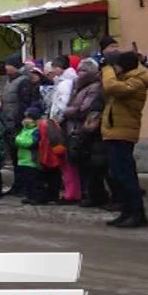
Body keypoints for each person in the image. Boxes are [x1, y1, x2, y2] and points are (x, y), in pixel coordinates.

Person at [101, 50, 148, 228]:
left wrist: (108, 69)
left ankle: (137, 214)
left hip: (123, 134)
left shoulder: (137, 82)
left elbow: (111, 87)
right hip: (115, 132)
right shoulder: (126, 79)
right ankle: (127, 211)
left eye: (115, 66)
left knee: (126, 175)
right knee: (118, 175)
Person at [63, 58, 108, 207]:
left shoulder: (94, 87)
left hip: (87, 130)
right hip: (75, 129)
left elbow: (84, 109)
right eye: (79, 70)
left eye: (84, 71)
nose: (80, 74)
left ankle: (94, 195)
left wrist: (67, 111)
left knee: (91, 164)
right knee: (80, 163)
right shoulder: (78, 87)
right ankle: (86, 193)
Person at [0, 54, 34, 196]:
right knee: (14, 157)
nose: (6, 67)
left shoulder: (23, 81)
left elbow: (23, 102)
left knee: (22, 157)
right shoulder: (9, 82)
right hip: (8, 123)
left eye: (9, 64)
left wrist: (19, 119)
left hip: (17, 124)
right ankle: (17, 185)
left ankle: (25, 186)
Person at [50, 55, 81, 202]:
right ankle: (72, 191)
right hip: (64, 124)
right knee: (67, 160)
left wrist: (55, 120)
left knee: (67, 160)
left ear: (58, 68)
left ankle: (72, 193)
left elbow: (61, 105)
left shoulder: (64, 83)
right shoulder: (67, 81)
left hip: (63, 125)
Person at [16, 105, 44, 203]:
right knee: (27, 180)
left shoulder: (36, 130)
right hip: (23, 160)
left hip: (32, 160)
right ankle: (30, 196)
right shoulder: (24, 129)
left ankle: (37, 197)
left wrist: (18, 140)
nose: (26, 120)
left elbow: (30, 142)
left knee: (34, 181)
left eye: (28, 117)